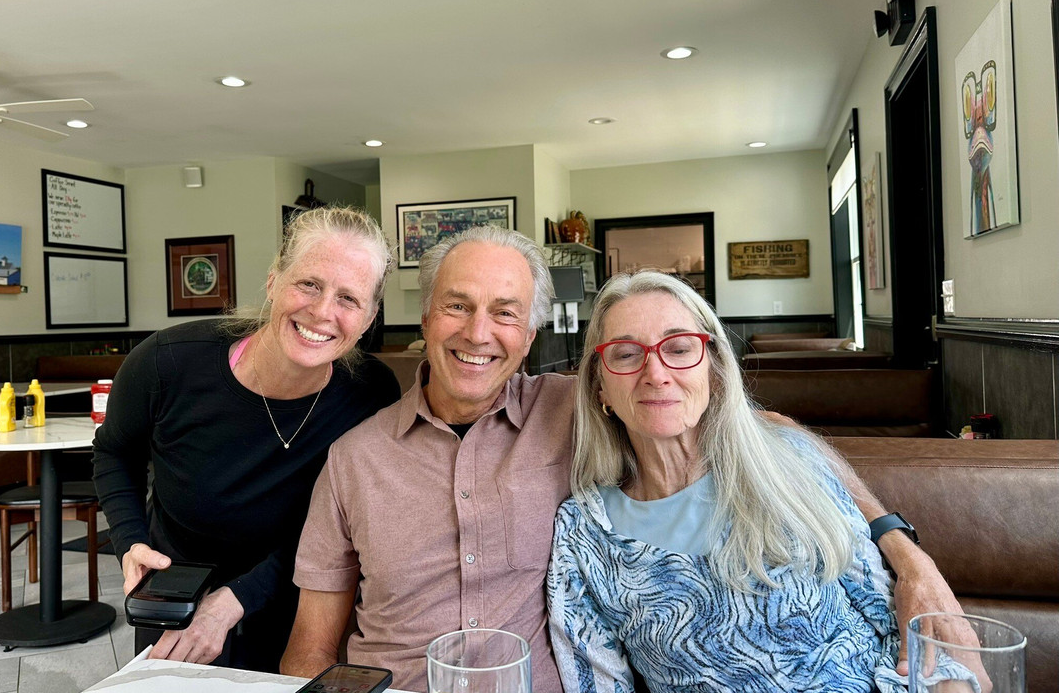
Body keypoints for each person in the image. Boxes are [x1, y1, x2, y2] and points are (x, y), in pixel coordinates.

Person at [282, 227, 965, 693]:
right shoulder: (353, 460)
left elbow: (775, 435)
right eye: (457, 306)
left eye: (506, 313)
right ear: (425, 319)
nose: (478, 332)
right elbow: (312, 646)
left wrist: (904, 549)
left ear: (530, 334)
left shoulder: (583, 404)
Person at [547, 269, 906, 692]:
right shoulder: (584, 533)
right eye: (626, 354)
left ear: (714, 371)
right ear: (600, 388)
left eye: (679, 349)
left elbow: (895, 622)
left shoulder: (788, 459)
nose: (656, 373)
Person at [92, 205, 402, 672]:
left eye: (348, 298)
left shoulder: (370, 394)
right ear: (274, 281)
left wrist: (239, 597)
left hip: (299, 602)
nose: (323, 312)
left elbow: (349, 526)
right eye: (309, 284)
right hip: (177, 595)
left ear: (370, 315)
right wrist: (131, 542)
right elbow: (114, 451)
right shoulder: (168, 362)